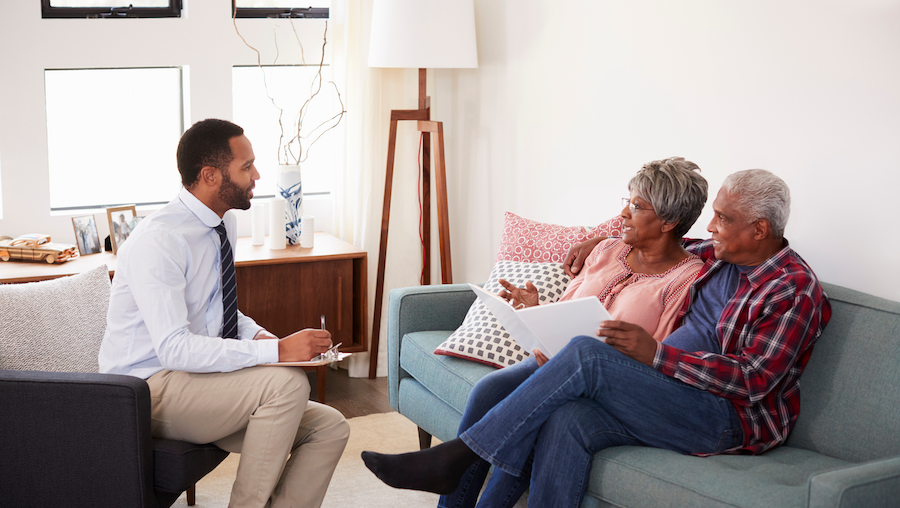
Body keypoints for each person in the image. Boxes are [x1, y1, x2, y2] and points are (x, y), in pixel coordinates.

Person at [362, 169, 831, 508]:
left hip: (726, 418)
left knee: (586, 353)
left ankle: (455, 458)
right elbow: (661, 234)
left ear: (760, 230)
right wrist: (596, 241)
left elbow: (754, 382)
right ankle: (458, 474)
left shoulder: (792, 288)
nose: (711, 227)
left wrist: (660, 355)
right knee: (569, 418)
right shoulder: (720, 254)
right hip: (671, 391)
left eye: (723, 219)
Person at [98, 119, 350, 508]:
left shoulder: (222, 224)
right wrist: (279, 351)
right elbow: (174, 350)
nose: (257, 175)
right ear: (210, 175)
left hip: (194, 381)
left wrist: (261, 337)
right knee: (286, 384)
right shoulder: (160, 241)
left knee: (329, 426)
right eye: (246, 167)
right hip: (146, 390)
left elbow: (217, 309)